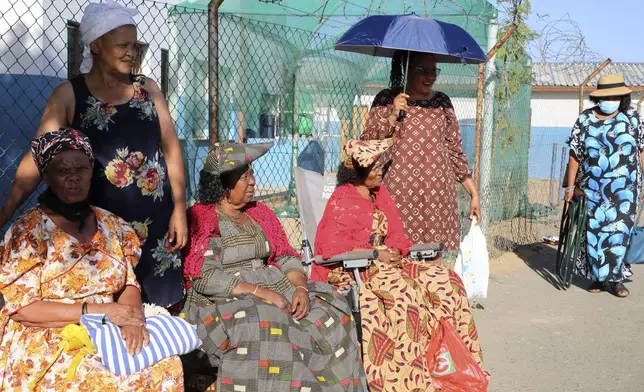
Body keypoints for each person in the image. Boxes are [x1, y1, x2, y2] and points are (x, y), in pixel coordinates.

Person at [0, 0, 187, 307]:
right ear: (97, 45)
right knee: (111, 309)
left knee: (160, 308)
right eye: (122, 45)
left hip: (155, 221)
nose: (132, 53)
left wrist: (179, 208)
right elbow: (37, 159)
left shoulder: (149, 90)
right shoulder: (70, 95)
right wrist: (6, 211)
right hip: (102, 231)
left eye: (135, 46)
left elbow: (171, 150)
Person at [0, 128, 183, 391]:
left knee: (165, 366)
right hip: (50, 337)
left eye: (81, 169)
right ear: (46, 177)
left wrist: (134, 319)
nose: (73, 178)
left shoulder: (111, 225)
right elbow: (22, 309)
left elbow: (128, 284)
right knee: (100, 379)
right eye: (63, 171)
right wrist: (100, 312)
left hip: (109, 328)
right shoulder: (28, 231)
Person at [181, 142, 367, 392]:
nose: (252, 182)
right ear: (224, 184)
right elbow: (203, 277)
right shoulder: (204, 218)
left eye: (252, 174)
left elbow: (286, 256)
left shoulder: (260, 213)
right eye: (244, 177)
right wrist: (261, 293)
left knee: (331, 309)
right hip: (226, 298)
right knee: (269, 322)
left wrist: (300, 287)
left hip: (278, 288)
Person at [311, 139, 485, 392]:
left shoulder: (379, 195)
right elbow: (330, 247)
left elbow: (397, 238)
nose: (381, 170)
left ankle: (455, 366)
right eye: (374, 167)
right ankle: (406, 380)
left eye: (381, 165)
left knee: (447, 282)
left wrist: (391, 253)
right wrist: (376, 255)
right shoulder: (342, 199)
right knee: (405, 295)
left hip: (387, 262)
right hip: (354, 268)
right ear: (358, 173)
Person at [361, 50, 480, 261]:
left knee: (433, 258)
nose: (430, 77)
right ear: (407, 70)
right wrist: (392, 116)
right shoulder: (386, 100)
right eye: (422, 71)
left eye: (433, 71)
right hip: (399, 195)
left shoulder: (442, 102)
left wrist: (472, 192)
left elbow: (454, 149)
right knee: (398, 256)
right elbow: (369, 143)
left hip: (437, 196)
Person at [565, 73, 644, 298]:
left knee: (619, 233)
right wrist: (570, 188)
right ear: (598, 98)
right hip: (592, 190)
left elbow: (642, 151)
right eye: (607, 96)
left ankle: (616, 279)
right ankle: (598, 277)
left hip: (626, 190)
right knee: (593, 232)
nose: (612, 100)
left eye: (616, 96)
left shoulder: (634, 119)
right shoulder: (585, 120)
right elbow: (574, 155)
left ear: (622, 97)